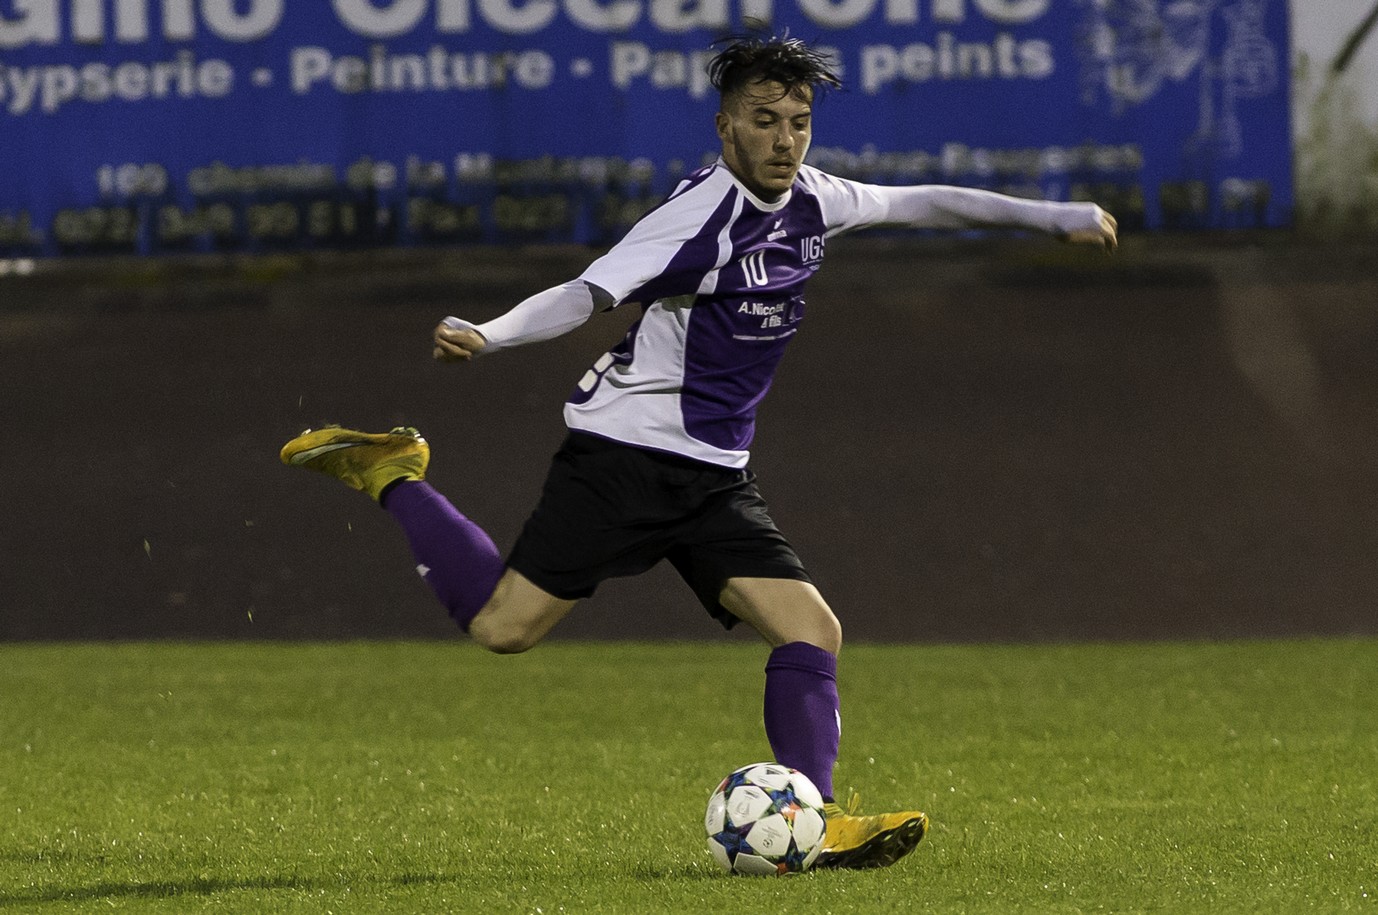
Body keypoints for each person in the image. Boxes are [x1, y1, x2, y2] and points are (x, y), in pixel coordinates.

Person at [281, 34, 1118, 870]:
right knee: (504, 629)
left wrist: (1058, 216)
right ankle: (392, 471)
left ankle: (816, 822)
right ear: (726, 129)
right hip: (623, 459)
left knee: (811, 629)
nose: (785, 139)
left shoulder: (816, 202)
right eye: (764, 120)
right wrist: (489, 333)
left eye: (799, 122)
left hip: (716, 477)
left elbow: (925, 202)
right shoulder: (697, 218)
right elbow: (588, 291)